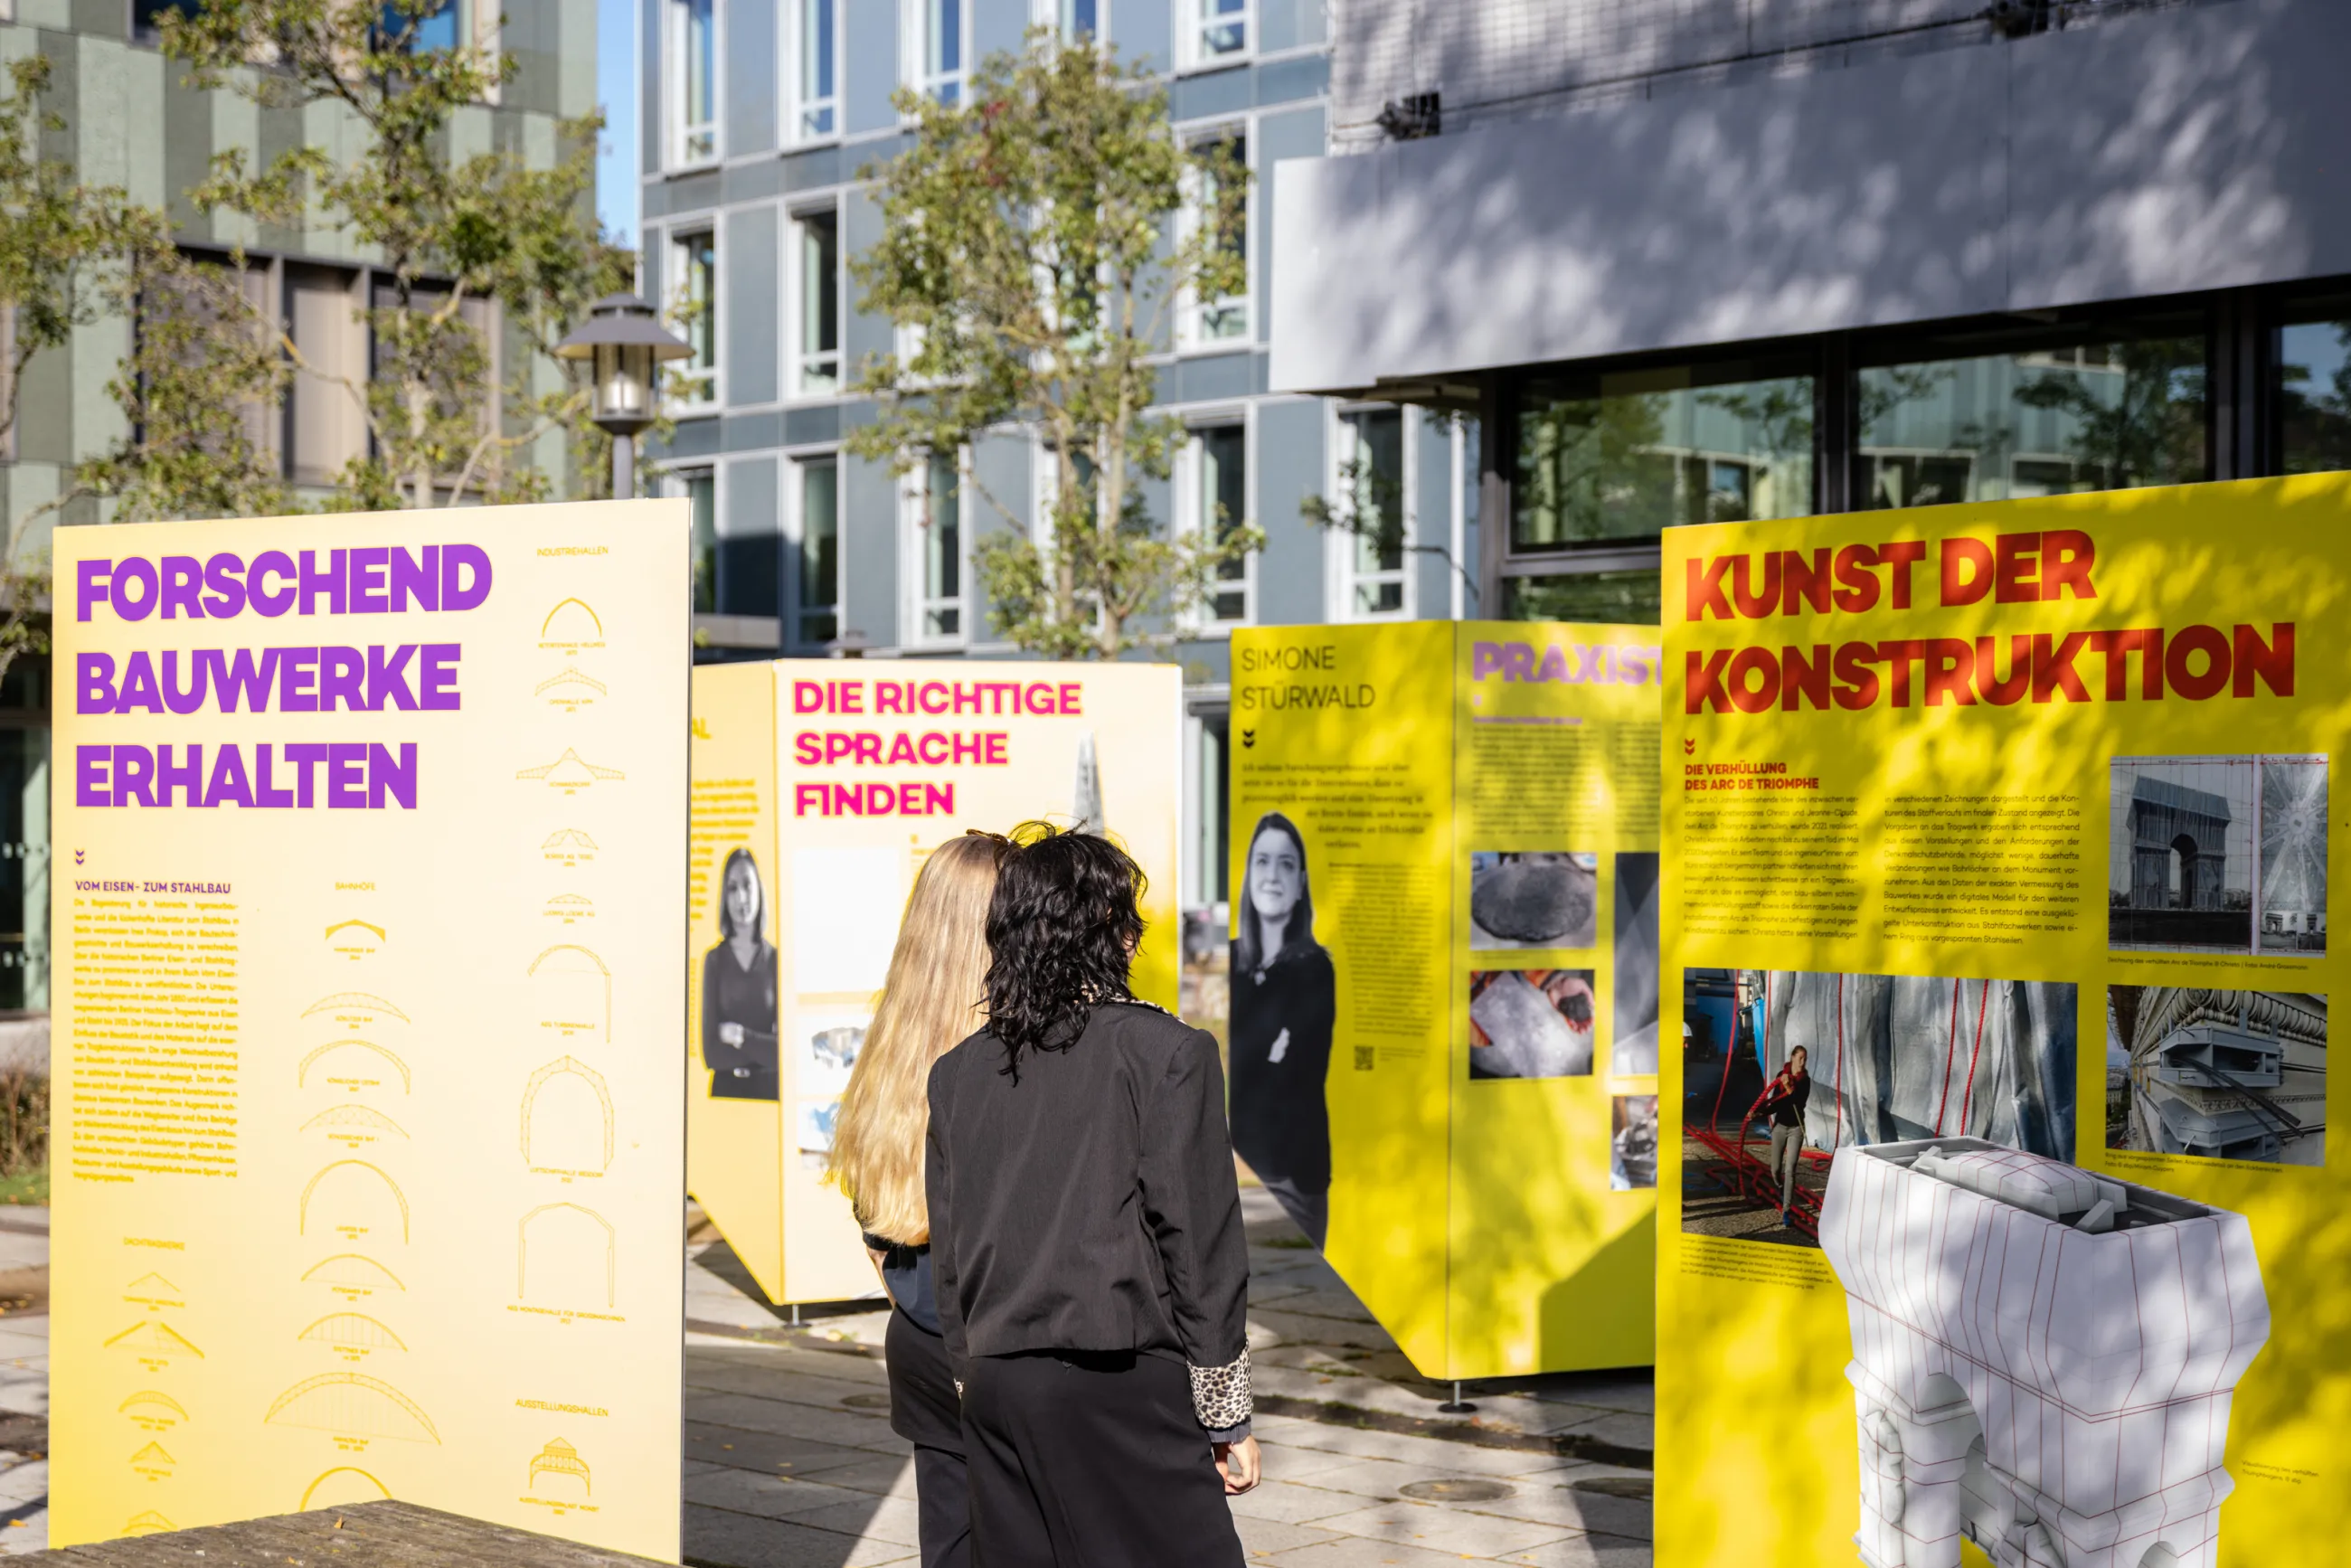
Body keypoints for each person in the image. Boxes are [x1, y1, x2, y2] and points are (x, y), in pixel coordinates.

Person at [928, 826, 1259, 1568]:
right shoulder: (1170, 1054)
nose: (1139, 938)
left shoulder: (957, 1072)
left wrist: (968, 1373)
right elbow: (1199, 1247)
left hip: (996, 1383)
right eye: (1127, 919)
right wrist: (1226, 1415)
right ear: (1109, 934)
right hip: (1120, 1386)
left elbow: (949, 1253)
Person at [826, 833, 1005, 1568]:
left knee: (953, 1541)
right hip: (1002, 1347)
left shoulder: (886, 1044)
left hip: (920, 1341)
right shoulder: (1006, 1058)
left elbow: (873, 1222)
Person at [1228, 811, 1335, 1246]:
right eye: (1263, 861)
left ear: (1301, 882)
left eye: (1287, 864)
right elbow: (1209, 1060)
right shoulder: (1225, 959)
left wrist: (1246, 1057)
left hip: (1291, 1176)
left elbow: (1291, 1071)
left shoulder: (1313, 968)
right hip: (1226, 1173)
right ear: (1250, 873)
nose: (1273, 875)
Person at [702, 848, 779, 1100]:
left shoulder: (775, 960)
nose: (741, 897)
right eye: (733, 888)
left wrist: (739, 1036)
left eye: (747, 885)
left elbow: (781, 1051)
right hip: (725, 1092)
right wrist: (762, 1046)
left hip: (769, 1094)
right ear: (724, 897)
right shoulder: (714, 961)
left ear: (759, 889)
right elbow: (711, 1054)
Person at [1760, 1045, 1811, 1226]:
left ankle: (1786, 1209)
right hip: (1780, 1126)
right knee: (1775, 1169)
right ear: (1793, 1058)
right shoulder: (1781, 1075)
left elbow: (1798, 1102)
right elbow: (1775, 1102)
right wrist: (1759, 1112)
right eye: (1800, 1058)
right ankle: (1779, 1186)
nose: (1803, 1063)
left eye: (1805, 1059)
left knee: (1790, 1169)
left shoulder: (1805, 1081)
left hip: (1796, 1128)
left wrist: (1789, 1086)